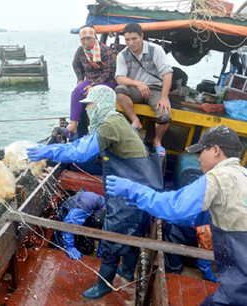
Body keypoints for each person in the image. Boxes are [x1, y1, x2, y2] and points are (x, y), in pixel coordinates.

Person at [27, 85, 163, 299]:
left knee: (111, 236)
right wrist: (55, 149)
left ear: (101, 104)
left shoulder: (109, 124)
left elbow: (81, 152)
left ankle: (105, 284)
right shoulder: (116, 120)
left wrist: (48, 151)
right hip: (143, 187)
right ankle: (127, 270)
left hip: (129, 191)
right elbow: (83, 143)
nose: (87, 109)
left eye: (90, 104)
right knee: (134, 232)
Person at [106, 125, 246, 305]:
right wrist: (147, 205)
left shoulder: (219, 177)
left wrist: (135, 191)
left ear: (216, 150)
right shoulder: (242, 175)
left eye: (201, 152)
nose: (199, 159)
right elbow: (199, 216)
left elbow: (175, 207)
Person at [115, 23, 173, 157]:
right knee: (120, 91)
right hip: (135, 89)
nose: (131, 43)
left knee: (165, 114)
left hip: (156, 89)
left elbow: (168, 74)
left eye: (134, 39)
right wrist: (137, 83)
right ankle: (135, 120)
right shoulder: (122, 55)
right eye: (127, 40)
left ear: (142, 36)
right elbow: (120, 78)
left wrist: (164, 98)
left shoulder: (156, 50)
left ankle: (157, 140)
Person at [69, 26, 116, 138]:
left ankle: (96, 130)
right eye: (83, 39)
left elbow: (108, 72)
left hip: (107, 81)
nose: (85, 41)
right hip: (89, 80)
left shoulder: (105, 50)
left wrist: (93, 85)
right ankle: (74, 125)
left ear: (94, 37)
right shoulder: (80, 51)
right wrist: (80, 79)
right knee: (76, 92)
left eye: (88, 38)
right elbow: (75, 65)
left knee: (93, 93)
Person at [53, 190, 106, 260]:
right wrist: (69, 247)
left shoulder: (112, 217)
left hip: (86, 221)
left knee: (88, 249)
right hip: (67, 219)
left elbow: (105, 238)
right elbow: (68, 225)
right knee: (61, 251)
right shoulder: (89, 200)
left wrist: (101, 258)